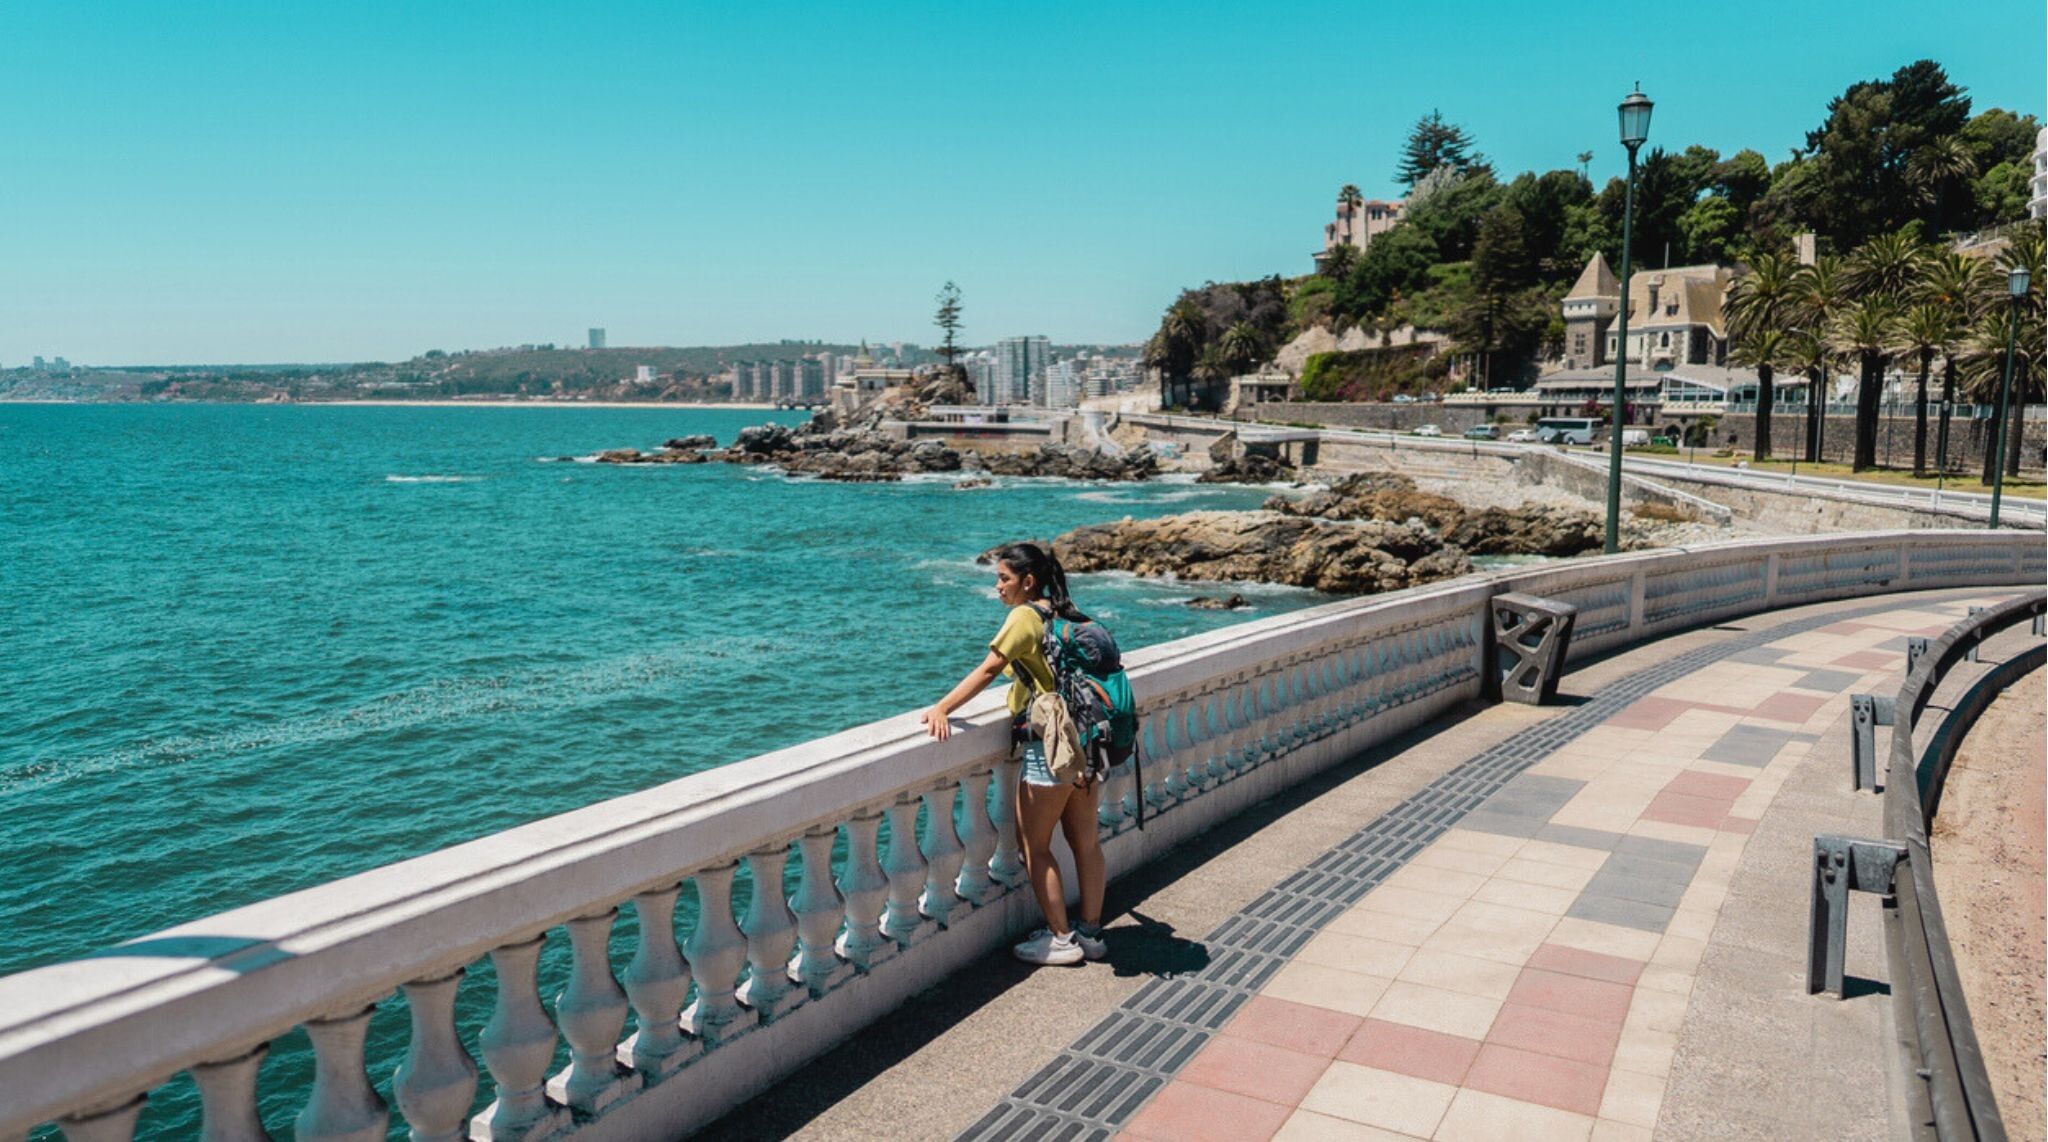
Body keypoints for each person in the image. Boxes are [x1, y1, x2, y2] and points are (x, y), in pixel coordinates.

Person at [920, 543, 1106, 966]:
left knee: (1034, 847)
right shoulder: (1066, 612)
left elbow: (989, 669)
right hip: (1088, 740)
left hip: (1051, 745)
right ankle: (1091, 934)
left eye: (1003, 579)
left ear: (1028, 581)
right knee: (1086, 841)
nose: (997, 588)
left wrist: (942, 708)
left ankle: (1061, 940)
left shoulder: (1024, 617)